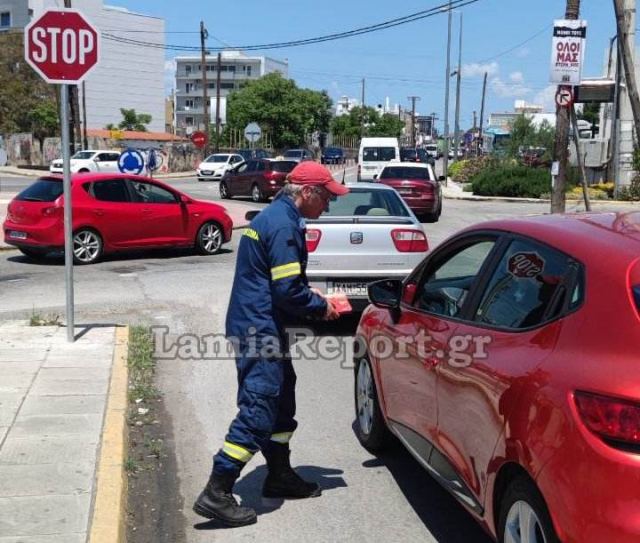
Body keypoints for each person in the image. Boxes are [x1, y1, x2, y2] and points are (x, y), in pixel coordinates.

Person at [194, 161, 350, 527]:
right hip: (258, 329)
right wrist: (321, 306)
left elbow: (278, 281)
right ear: (307, 192)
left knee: (281, 400)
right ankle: (217, 489)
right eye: (326, 197)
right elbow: (286, 290)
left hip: (260, 324)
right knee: (260, 407)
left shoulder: (276, 217)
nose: (328, 205)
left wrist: (304, 292)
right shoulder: (283, 225)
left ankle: (278, 474)